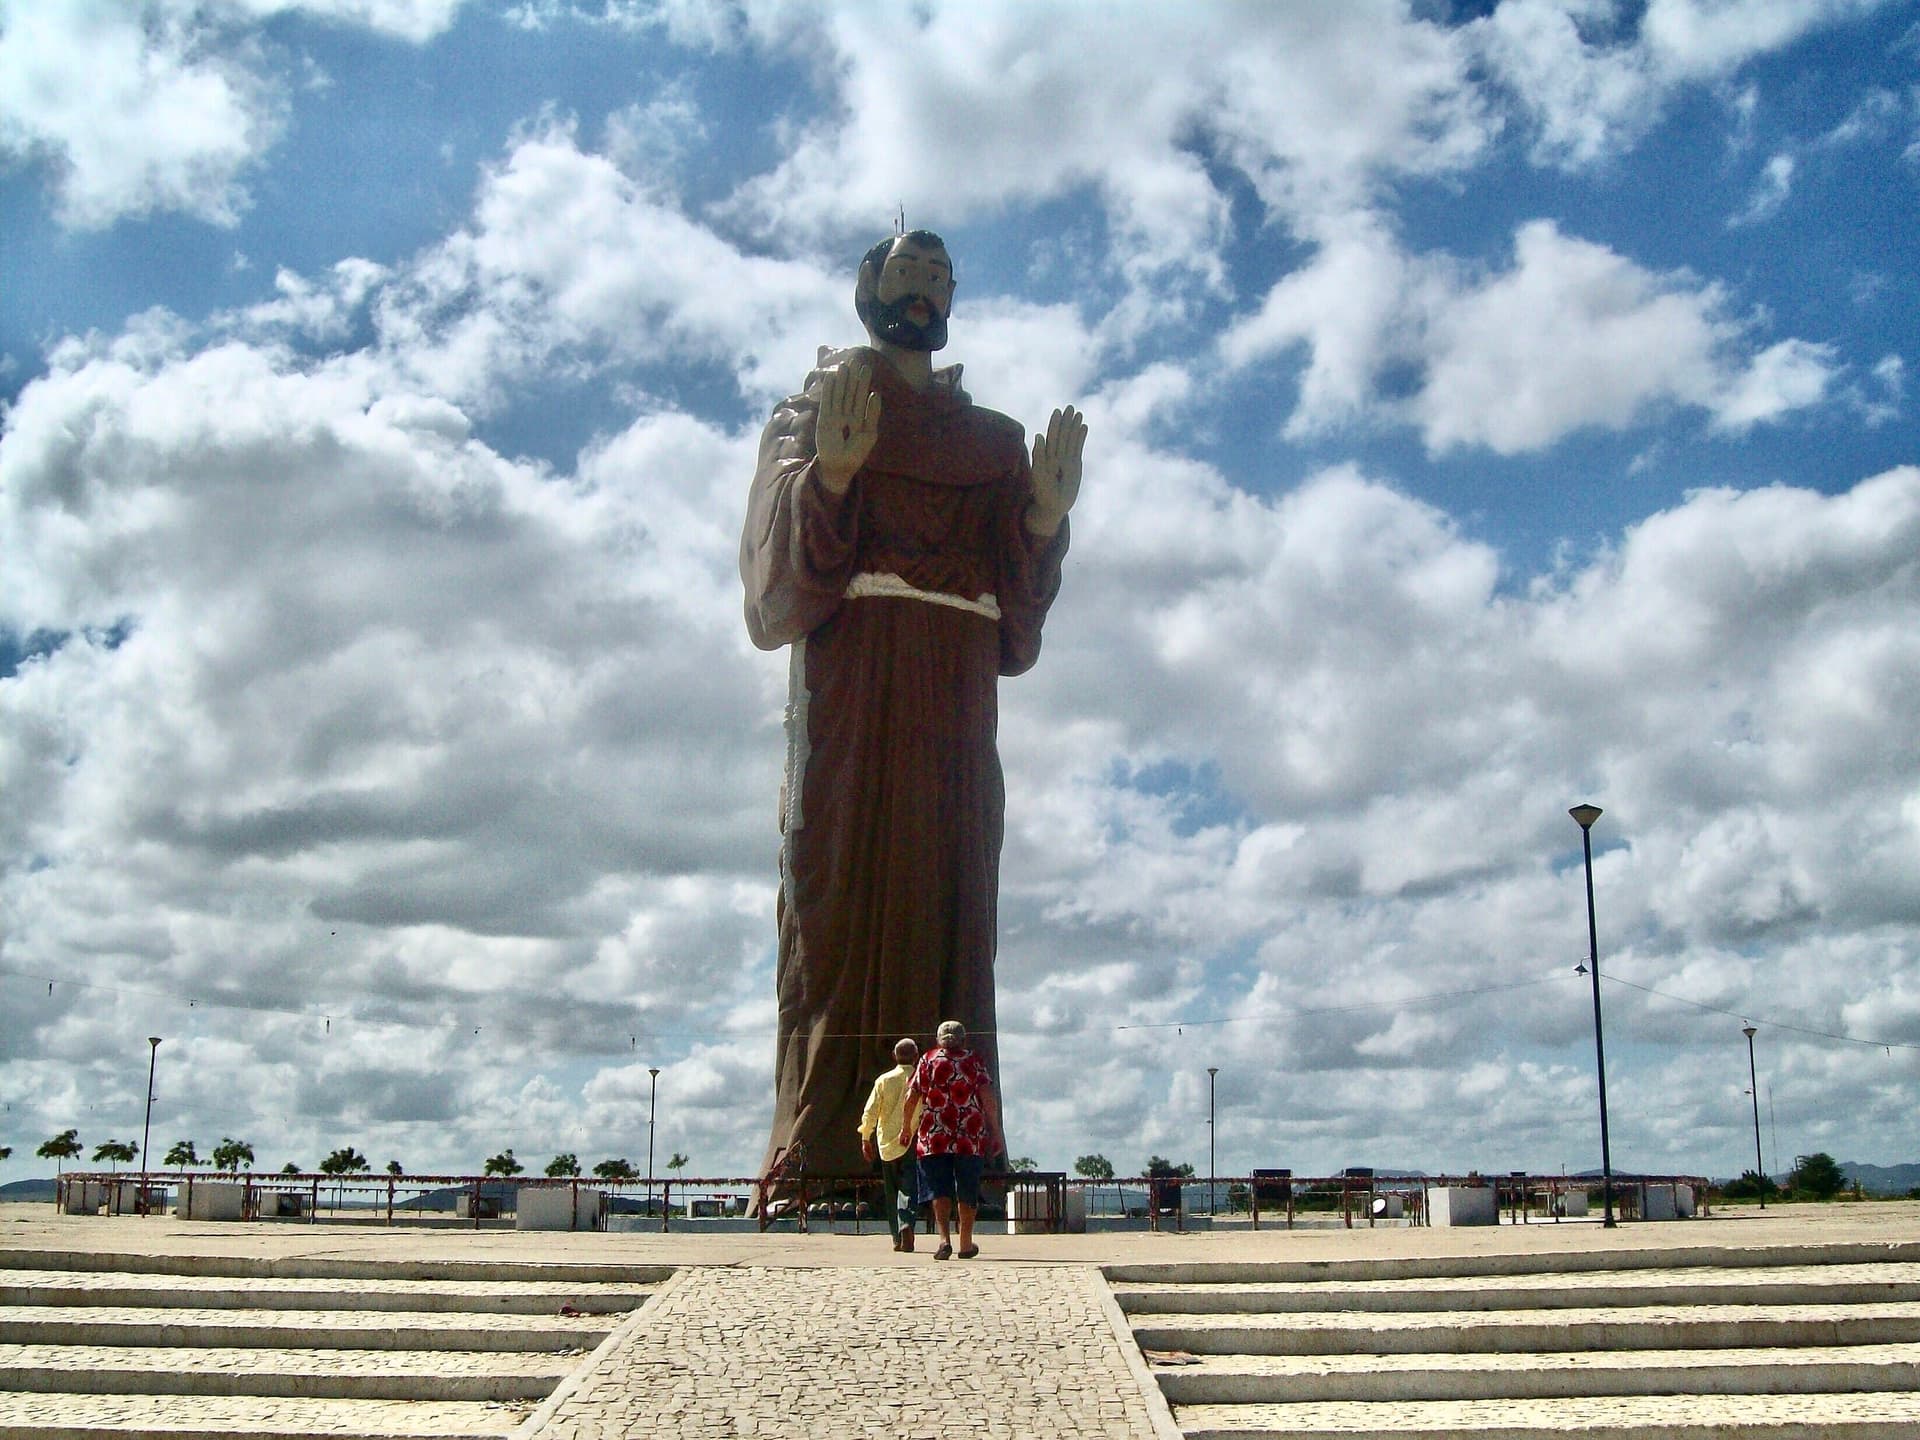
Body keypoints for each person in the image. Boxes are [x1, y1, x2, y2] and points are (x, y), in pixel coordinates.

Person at [741, 229, 1087, 1187]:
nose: (924, 290)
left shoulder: (990, 444)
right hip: (854, 679)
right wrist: (834, 476)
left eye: (938, 276)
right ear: (867, 289)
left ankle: (960, 1158)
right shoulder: (815, 411)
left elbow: (1017, 625)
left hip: (955, 686)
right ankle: (821, 1151)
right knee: (836, 887)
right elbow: (775, 594)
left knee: (953, 896)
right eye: (904, 273)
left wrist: (1044, 522)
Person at [898, 1019, 1001, 1259]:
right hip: (969, 1134)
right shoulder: (973, 1061)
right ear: (963, 1039)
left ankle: (944, 1240)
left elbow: (911, 1097)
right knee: (967, 1186)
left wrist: (905, 1128)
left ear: (938, 1040)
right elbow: (987, 1097)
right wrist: (995, 1130)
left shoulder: (927, 1060)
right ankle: (965, 1242)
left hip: (934, 1135)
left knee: (938, 1188)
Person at [859, 1037, 922, 1250]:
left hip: (886, 1143)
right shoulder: (920, 1078)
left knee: (891, 1191)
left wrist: (865, 1137)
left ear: (894, 1056)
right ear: (916, 1056)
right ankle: (907, 1224)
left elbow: (871, 1111)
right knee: (909, 1188)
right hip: (913, 1140)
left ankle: (896, 1236)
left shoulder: (884, 1080)